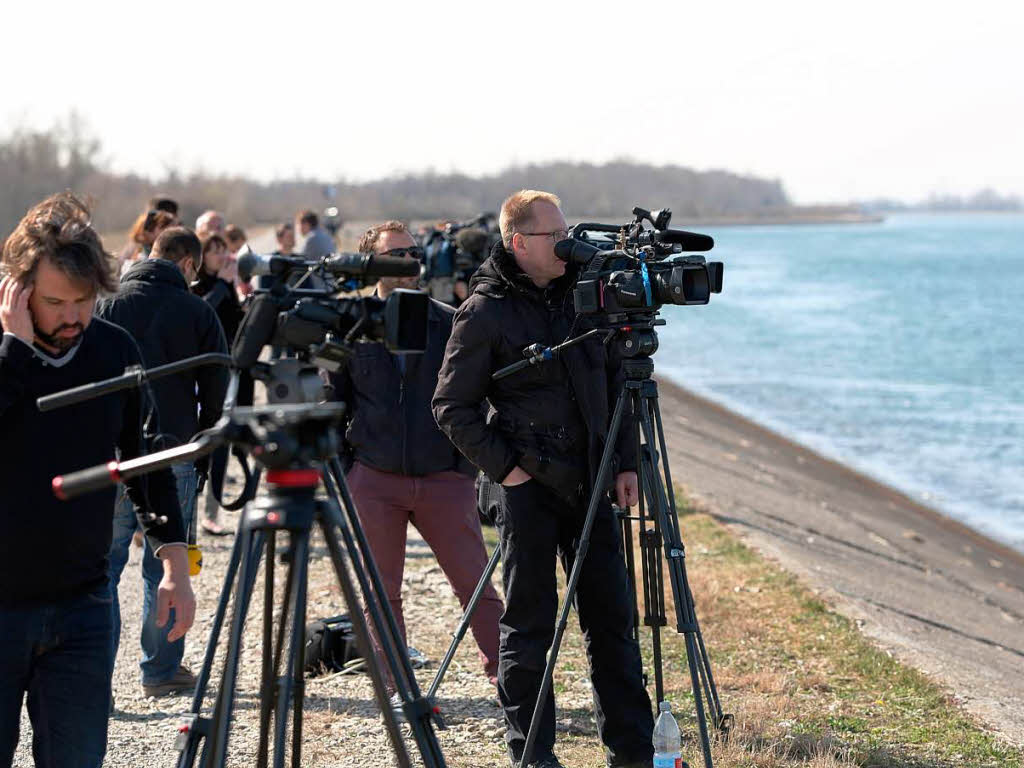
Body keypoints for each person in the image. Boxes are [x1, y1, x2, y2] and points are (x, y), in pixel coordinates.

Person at [432, 190, 654, 768]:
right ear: (517, 242)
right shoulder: (484, 311)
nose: (568, 244)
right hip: (526, 491)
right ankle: (532, 754)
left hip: (593, 482)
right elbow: (451, 407)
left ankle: (631, 752)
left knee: (613, 624)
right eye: (554, 236)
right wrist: (509, 473)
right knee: (529, 629)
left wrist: (626, 461)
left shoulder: (585, 297)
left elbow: (617, 383)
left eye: (568, 231)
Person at [0, 193, 194, 767]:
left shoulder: (112, 349)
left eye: (83, 302)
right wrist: (14, 352)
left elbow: (145, 461)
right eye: (55, 302)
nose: (72, 318)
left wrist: (175, 568)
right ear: (17, 290)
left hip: (82, 610)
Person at [321, 221, 502, 706]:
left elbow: (477, 395)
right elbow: (330, 403)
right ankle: (398, 686)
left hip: (444, 478)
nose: (406, 263)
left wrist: (465, 467)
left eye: (412, 254)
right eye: (394, 255)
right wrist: (348, 470)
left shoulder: (450, 320)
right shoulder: (352, 324)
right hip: (375, 479)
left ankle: (510, 681)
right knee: (381, 592)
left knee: (476, 585)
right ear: (370, 262)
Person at [97, 226, 228, 697]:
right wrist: (209, 455)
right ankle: (161, 670)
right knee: (167, 565)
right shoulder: (198, 311)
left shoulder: (105, 304)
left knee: (104, 569)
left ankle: (95, 680)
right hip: (174, 451)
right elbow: (217, 394)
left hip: (110, 452)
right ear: (189, 265)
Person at [191, 233, 245, 536]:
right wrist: (224, 286)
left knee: (222, 442)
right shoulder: (196, 286)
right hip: (199, 371)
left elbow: (237, 322)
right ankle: (190, 508)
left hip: (227, 367)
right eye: (214, 251)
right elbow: (203, 313)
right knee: (199, 441)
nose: (221, 256)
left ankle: (212, 513)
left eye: (223, 250)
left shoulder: (226, 283)